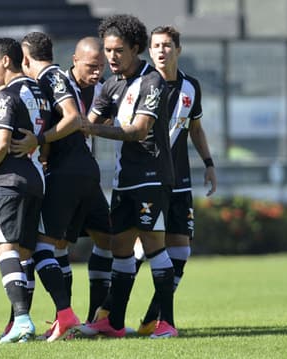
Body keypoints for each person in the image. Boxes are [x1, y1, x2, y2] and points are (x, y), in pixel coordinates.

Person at [80, 14, 177, 339]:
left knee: (152, 245)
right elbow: (87, 121)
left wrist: (90, 128)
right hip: (124, 181)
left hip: (152, 176)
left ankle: (167, 323)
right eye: (107, 50)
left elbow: (138, 131)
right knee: (120, 248)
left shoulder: (153, 82)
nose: (111, 57)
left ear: (136, 48)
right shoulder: (111, 84)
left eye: (118, 50)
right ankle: (114, 322)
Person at [133, 25, 217, 336]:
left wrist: (208, 163)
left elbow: (195, 129)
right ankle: (108, 314)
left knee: (180, 252)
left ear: (177, 49)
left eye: (167, 45)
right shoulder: (141, 84)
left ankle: (154, 316)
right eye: (156, 45)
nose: (161, 50)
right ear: (149, 50)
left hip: (180, 179)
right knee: (140, 248)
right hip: (147, 179)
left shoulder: (191, 87)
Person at [6, 31, 84, 341]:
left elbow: (73, 118)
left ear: (24, 59)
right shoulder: (48, 81)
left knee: (36, 247)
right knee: (50, 247)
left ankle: (60, 316)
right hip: (70, 170)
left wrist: (39, 141)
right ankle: (53, 319)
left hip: (60, 173)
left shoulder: (51, 78)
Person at [0, 37, 51, 343]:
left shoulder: (8, 94)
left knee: (3, 247)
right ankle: (21, 323)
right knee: (23, 253)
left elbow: (2, 141)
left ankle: (21, 319)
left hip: (10, 181)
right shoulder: (38, 89)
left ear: (6, 61)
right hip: (35, 178)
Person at [60, 36, 115, 325]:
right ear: (74, 60)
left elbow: (100, 125)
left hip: (87, 177)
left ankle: (96, 317)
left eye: (101, 66)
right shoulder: (59, 87)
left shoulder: (103, 89)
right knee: (57, 245)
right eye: (91, 66)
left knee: (107, 239)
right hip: (59, 178)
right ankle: (63, 315)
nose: (97, 73)